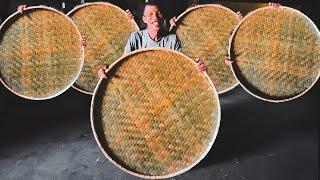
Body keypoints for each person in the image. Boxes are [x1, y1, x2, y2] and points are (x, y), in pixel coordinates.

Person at [98, 2, 206, 78]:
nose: (155, 18)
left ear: (163, 16)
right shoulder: (136, 38)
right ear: (144, 19)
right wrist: (105, 69)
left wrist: (196, 68)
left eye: (158, 13)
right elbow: (122, 64)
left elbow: (181, 67)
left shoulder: (172, 40)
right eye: (150, 14)